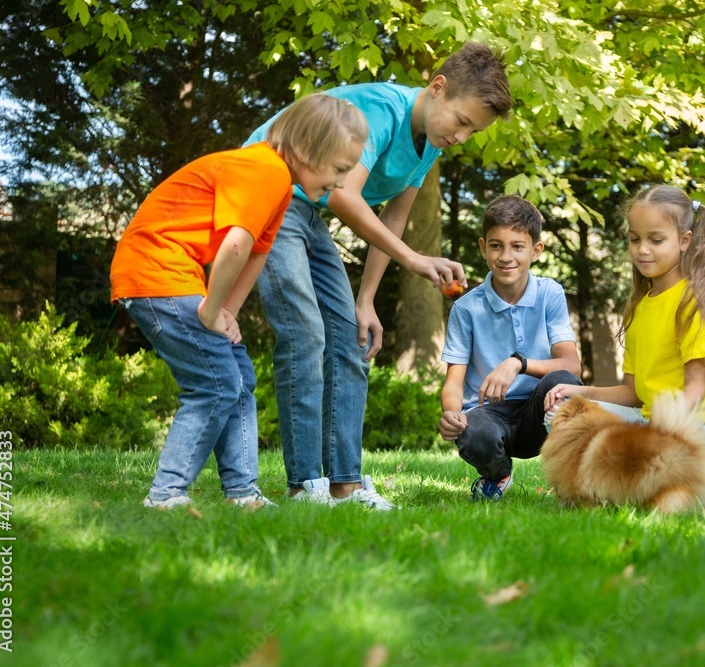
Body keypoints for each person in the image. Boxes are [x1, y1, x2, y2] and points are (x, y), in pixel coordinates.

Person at [245, 42, 512, 510]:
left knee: (352, 337)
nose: (463, 137)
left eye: (475, 131)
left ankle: (344, 485)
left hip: (307, 208)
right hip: (267, 192)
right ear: (437, 88)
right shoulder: (380, 109)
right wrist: (413, 260)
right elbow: (345, 195)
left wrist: (365, 300)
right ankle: (305, 484)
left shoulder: (430, 142)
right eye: (463, 122)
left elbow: (394, 218)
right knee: (306, 334)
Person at [111, 94, 368, 509]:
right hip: (157, 274)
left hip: (173, 278)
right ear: (304, 150)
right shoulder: (263, 169)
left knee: (239, 377)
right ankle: (166, 494)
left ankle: (242, 494)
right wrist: (211, 311)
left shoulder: (282, 187)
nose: (341, 183)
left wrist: (225, 311)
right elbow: (236, 244)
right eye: (339, 169)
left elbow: (257, 254)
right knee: (214, 386)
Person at [544, 184, 705, 513]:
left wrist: (656, 432)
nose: (642, 250)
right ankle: (593, 487)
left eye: (656, 240)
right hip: (647, 422)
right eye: (635, 239)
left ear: (685, 240)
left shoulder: (691, 302)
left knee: (652, 479)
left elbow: (695, 391)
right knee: (560, 414)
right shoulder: (638, 306)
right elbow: (634, 394)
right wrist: (583, 393)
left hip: (700, 431)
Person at [439, 195, 582, 501]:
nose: (506, 256)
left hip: (540, 410)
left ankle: (572, 482)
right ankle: (497, 474)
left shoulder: (550, 293)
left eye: (517, 246)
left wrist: (518, 362)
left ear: (536, 250)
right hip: (489, 415)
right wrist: (451, 414)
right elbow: (453, 381)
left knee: (565, 384)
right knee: (474, 433)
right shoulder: (466, 309)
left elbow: (571, 365)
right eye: (496, 245)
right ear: (482, 247)